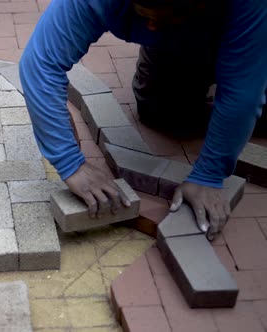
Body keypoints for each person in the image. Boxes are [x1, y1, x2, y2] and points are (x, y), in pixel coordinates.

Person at [19, 0, 267, 236]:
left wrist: (209, 175)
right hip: (188, 34)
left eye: (162, 18)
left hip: (246, 29)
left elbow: (241, 95)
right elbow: (40, 65)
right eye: (144, 13)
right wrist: (69, 160)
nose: (150, 26)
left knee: (251, 90)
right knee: (160, 110)